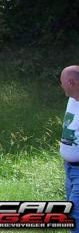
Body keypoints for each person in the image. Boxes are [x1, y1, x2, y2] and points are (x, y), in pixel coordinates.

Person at [60, 65, 79, 230]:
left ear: (71, 82)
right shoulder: (72, 100)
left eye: (63, 82)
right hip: (69, 169)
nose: (61, 86)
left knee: (75, 215)